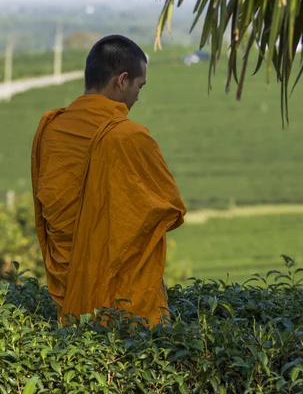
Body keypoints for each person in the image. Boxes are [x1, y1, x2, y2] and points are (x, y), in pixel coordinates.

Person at [31, 35, 186, 326]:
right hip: (124, 301)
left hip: (70, 294)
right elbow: (171, 209)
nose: (138, 96)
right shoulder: (130, 136)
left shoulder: (51, 129)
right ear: (122, 80)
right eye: (139, 86)